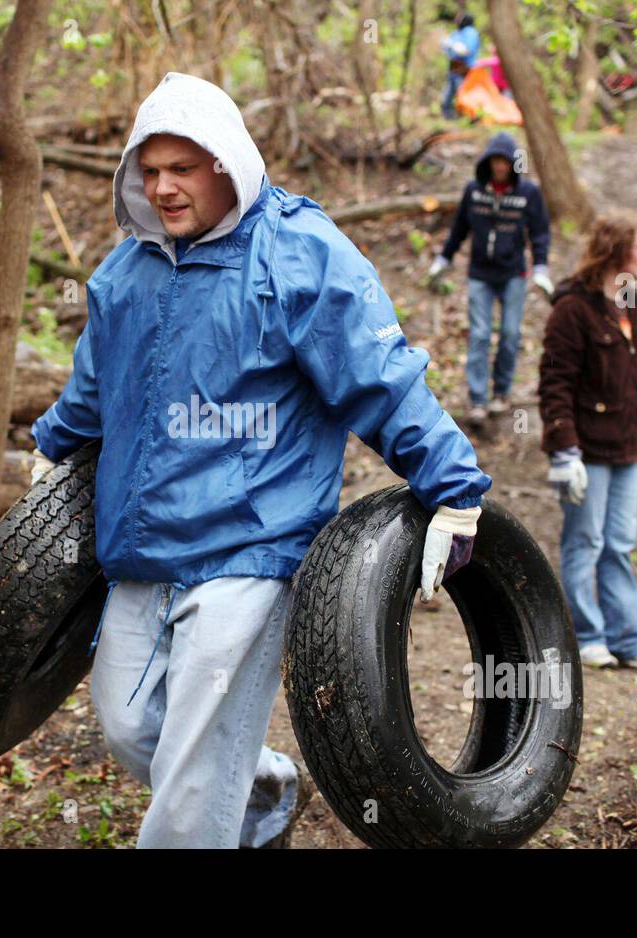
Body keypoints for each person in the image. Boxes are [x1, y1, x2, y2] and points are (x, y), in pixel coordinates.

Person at [28, 73, 492, 848]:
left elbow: (378, 377)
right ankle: (266, 789)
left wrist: (453, 486)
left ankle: (219, 809)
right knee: (129, 726)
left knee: (195, 770)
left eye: (183, 167)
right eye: (151, 171)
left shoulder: (298, 254)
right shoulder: (128, 269)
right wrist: (51, 445)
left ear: (225, 163)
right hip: (140, 543)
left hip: (250, 543)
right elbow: (95, 386)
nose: (165, 188)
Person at [537, 210, 637, 670]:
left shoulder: (636, 303)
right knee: (585, 541)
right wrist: (563, 450)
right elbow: (554, 384)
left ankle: (629, 641)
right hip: (586, 450)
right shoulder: (572, 309)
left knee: (619, 542)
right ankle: (586, 637)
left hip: (627, 447)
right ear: (616, 250)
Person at [424, 132, 551, 427]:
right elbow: (459, 228)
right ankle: (478, 399)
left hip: (513, 274)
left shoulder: (527, 194)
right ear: (487, 162)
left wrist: (541, 267)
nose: (500, 167)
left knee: (510, 334)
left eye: (505, 162)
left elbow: (540, 232)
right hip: (480, 273)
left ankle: (502, 393)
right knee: (480, 335)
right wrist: (444, 258)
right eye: (495, 161)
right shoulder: (474, 191)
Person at [441, 12, 481, 120]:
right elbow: (447, 48)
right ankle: (449, 116)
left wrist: (453, 45)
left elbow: (466, 50)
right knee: (448, 95)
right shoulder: (457, 33)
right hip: (454, 69)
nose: (456, 21)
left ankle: (469, 116)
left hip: (465, 69)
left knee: (464, 94)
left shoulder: (470, 32)